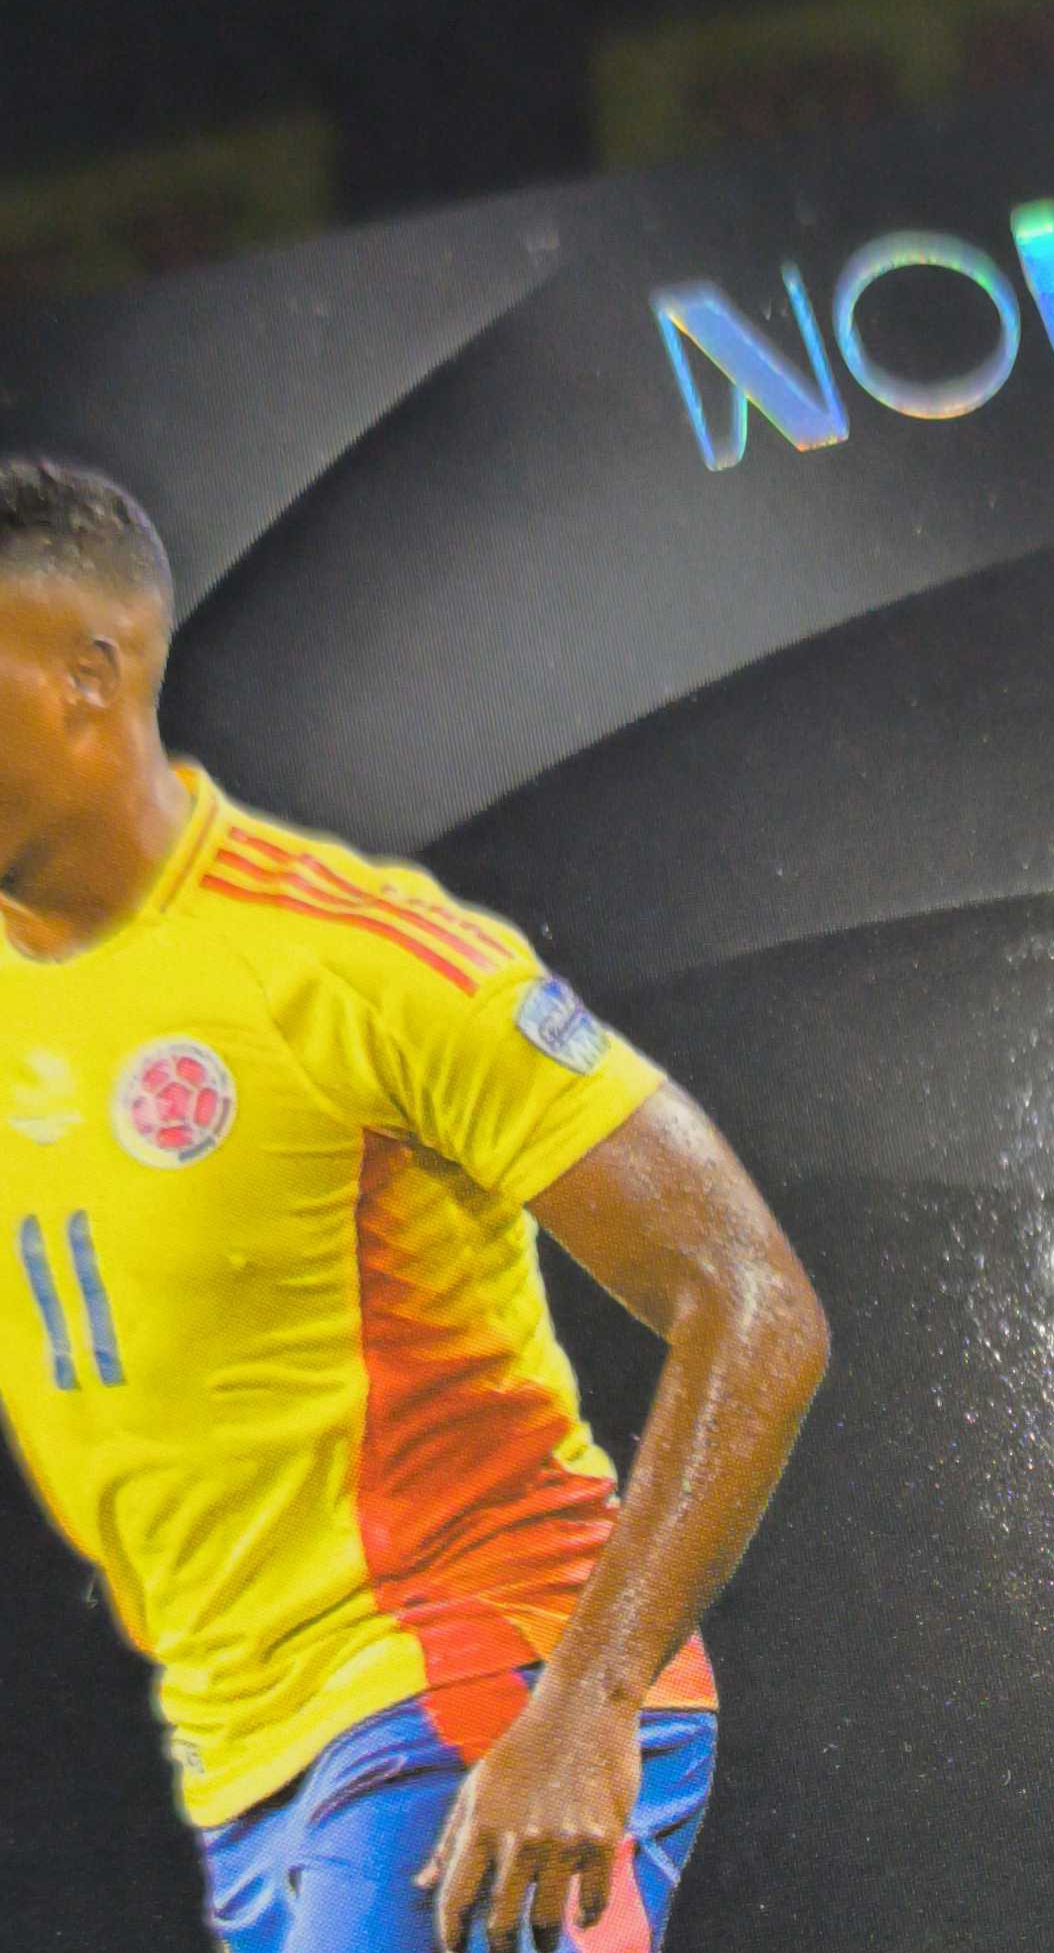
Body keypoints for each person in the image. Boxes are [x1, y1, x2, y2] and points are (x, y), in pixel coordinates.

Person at [0, 455, 830, 1953]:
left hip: (470, 1685)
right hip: (243, 1768)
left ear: (86, 678)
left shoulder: (351, 964)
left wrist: (587, 1701)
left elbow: (753, 1300)